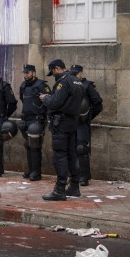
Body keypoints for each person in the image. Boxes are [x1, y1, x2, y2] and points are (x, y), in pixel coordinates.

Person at [40, 59, 85, 201]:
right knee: (72, 154)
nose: (53, 75)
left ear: (57, 68)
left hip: (62, 123)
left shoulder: (64, 81)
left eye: (53, 72)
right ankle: (74, 186)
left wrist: (45, 98)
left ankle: (60, 189)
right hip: (72, 121)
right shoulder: (77, 81)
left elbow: (55, 102)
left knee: (60, 155)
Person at [70, 64, 103, 186]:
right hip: (70, 121)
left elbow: (98, 104)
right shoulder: (68, 84)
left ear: (81, 73)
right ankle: (74, 175)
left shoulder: (87, 86)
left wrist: (88, 117)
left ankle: (84, 176)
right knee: (71, 149)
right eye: (72, 73)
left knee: (81, 148)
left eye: (76, 73)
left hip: (82, 123)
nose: (74, 76)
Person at [18, 64, 51, 181]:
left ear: (34, 73)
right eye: (24, 73)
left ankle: (36, 172)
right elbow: (23, 99)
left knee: (35, 146)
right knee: (28, 145)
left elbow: (49, 101)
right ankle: (31, 169)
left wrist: (45, 119)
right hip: (26, 119)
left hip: (37, 119)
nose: (26, 75)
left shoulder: (41, 85)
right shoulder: (23, 85)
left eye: (28, 73)